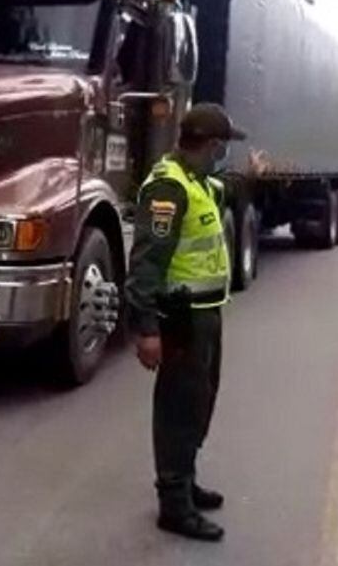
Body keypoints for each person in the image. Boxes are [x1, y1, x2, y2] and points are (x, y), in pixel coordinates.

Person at [125, 103, 246, 542]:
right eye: (223, 147)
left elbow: (227, 188)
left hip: (205, 314)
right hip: (180, 320)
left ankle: (186, 479)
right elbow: (146, 263)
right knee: (178, 408)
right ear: (211, 145)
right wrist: (146, 330)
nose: (224, 155)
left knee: (200, 401)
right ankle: (173, 503)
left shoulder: (199, 182)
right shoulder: (168, 190)